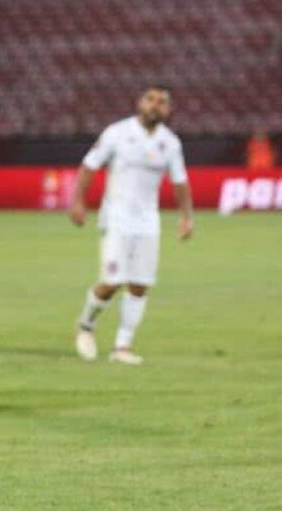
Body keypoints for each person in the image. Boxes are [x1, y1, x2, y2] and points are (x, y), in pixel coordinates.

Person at [70, 85, 193, 365]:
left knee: (140, 284)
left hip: (149, 222)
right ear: (140, 102)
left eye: (162, 102)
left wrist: (187, 217)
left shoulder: (170, 142)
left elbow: (180, 181)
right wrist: (78, 202)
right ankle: (86, 325)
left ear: (168, 109)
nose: (155, 105)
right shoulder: (117, 133)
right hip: (117, 219)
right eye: (151, 99)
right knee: (113, 281)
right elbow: (89, 165)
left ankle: (122, 346)